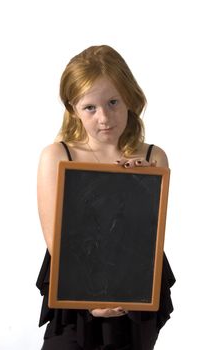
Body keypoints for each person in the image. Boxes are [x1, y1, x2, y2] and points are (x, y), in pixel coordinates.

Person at [36, 45, 175, 350]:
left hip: (135, 291)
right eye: (90, 107)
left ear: (129, 98)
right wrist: (90, 298)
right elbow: (56, 242)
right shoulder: (57, 156)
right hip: (74, 289)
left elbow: (146, 239)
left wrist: (138, 185)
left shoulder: (153, 157)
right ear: (73, 108)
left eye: (113, 102)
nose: (105, 117)